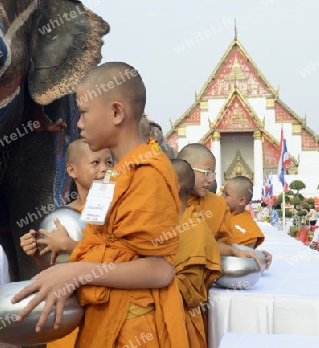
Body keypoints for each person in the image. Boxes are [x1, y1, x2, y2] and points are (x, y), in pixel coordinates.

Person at [13, 62, 189, 347]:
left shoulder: (148, 173)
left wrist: (75, 272)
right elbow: (96, 248)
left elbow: (160, 270)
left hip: (133, 327)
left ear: (116, 112)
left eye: (83, 113)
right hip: (101, 317)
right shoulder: (113, 178)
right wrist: (57, 264)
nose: (78, 123)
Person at [20, 139, 112, 348]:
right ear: (72, 170)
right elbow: (56, 269)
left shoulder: (117, 211)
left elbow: (119, 259)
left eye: (109, 162)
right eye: (95, 163)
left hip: (105, 307)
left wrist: (71, 246)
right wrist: (36, 253)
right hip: (71, 311)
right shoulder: (61, 218)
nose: (104, 169)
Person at [176, 144, 259, 260]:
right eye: (206, 173)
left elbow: (215, 245)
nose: (210, 180)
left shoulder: (217, 204)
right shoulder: (163, 199)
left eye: (213, 174)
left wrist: (241, 252)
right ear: (185, 169)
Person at [171, 159, 221, 348]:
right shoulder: (152, 223)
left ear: (174, 186)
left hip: (180, 319)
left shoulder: (196, 229)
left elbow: (188, 291)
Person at [222, 176, 265, 249]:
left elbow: (245, 254)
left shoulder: (249, 228)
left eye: (226, 195)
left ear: (241, 201)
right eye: (222, 192)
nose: (221, 196)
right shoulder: (219, 213)